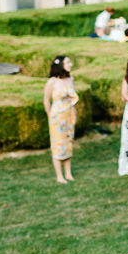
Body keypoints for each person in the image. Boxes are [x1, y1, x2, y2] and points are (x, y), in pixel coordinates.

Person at [44, 55, 79, 184]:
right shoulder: (52, 82)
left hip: (68, 115)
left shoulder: (70, 79)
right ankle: (59, 176)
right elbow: (46, 100)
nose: (70, 64)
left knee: (68, 143)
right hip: (57, 117)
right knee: (57, 145)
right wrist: (50, 115)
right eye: (68, 62)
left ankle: (68, 173)